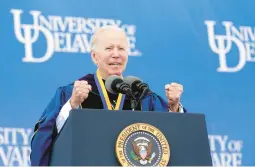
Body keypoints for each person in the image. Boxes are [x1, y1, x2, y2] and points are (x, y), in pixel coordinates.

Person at [30, 25, 186, 166]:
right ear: (94, 56)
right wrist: (73, 105)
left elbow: (168, 142)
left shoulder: (142, 96)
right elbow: (45, 139)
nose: (116, 54)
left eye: (121, 49)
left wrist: (173, 108)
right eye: (109, 48)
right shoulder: (72, 93)